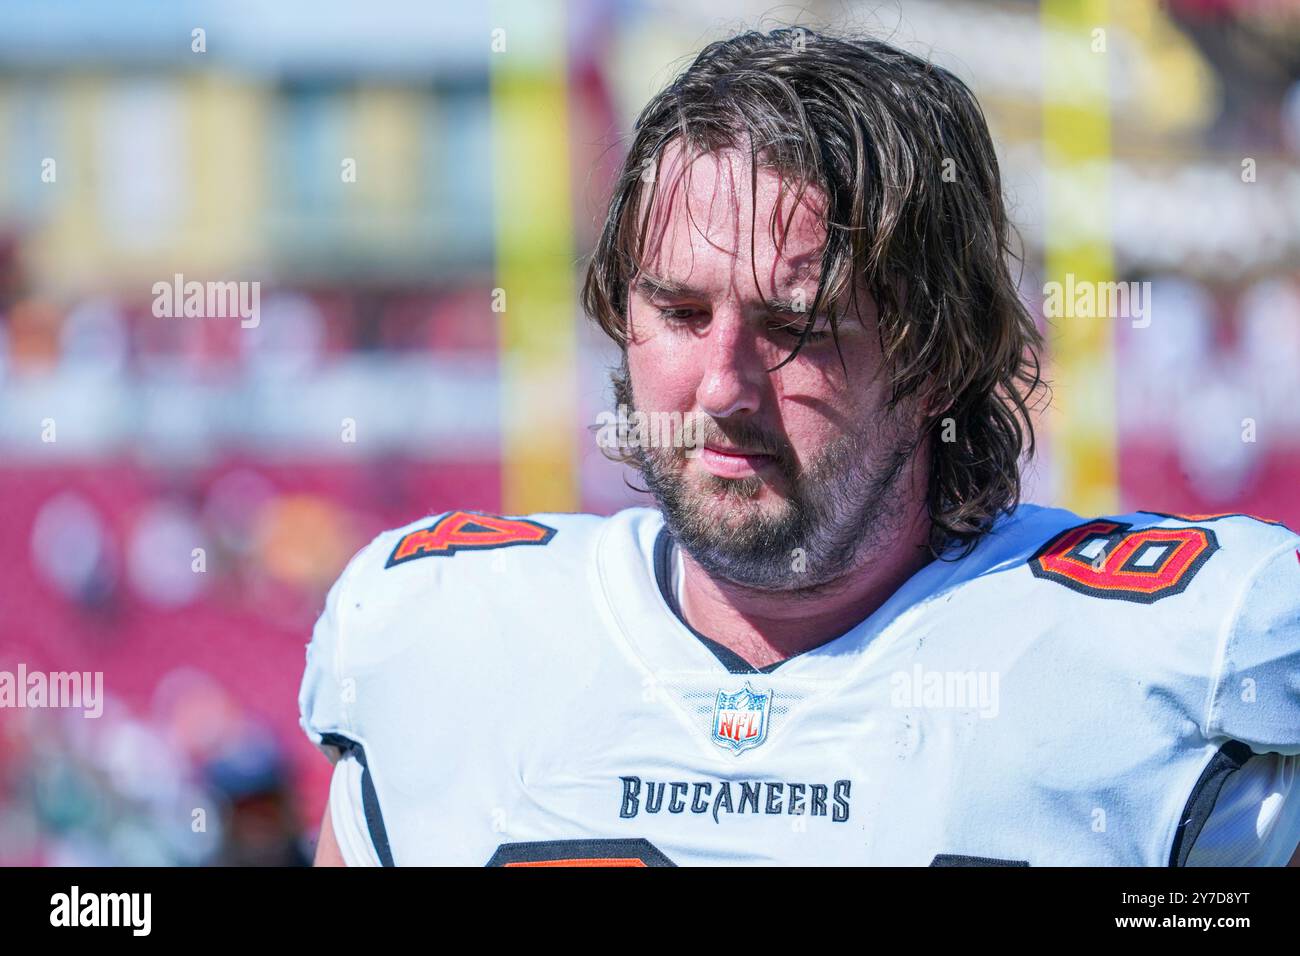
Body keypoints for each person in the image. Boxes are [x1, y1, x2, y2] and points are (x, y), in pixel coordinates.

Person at [300, 28, 1300, 866]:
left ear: (936, 353)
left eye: (795, 325)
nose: (724, 385)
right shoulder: (435, 634)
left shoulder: (1190, 655)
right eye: (680, 310)